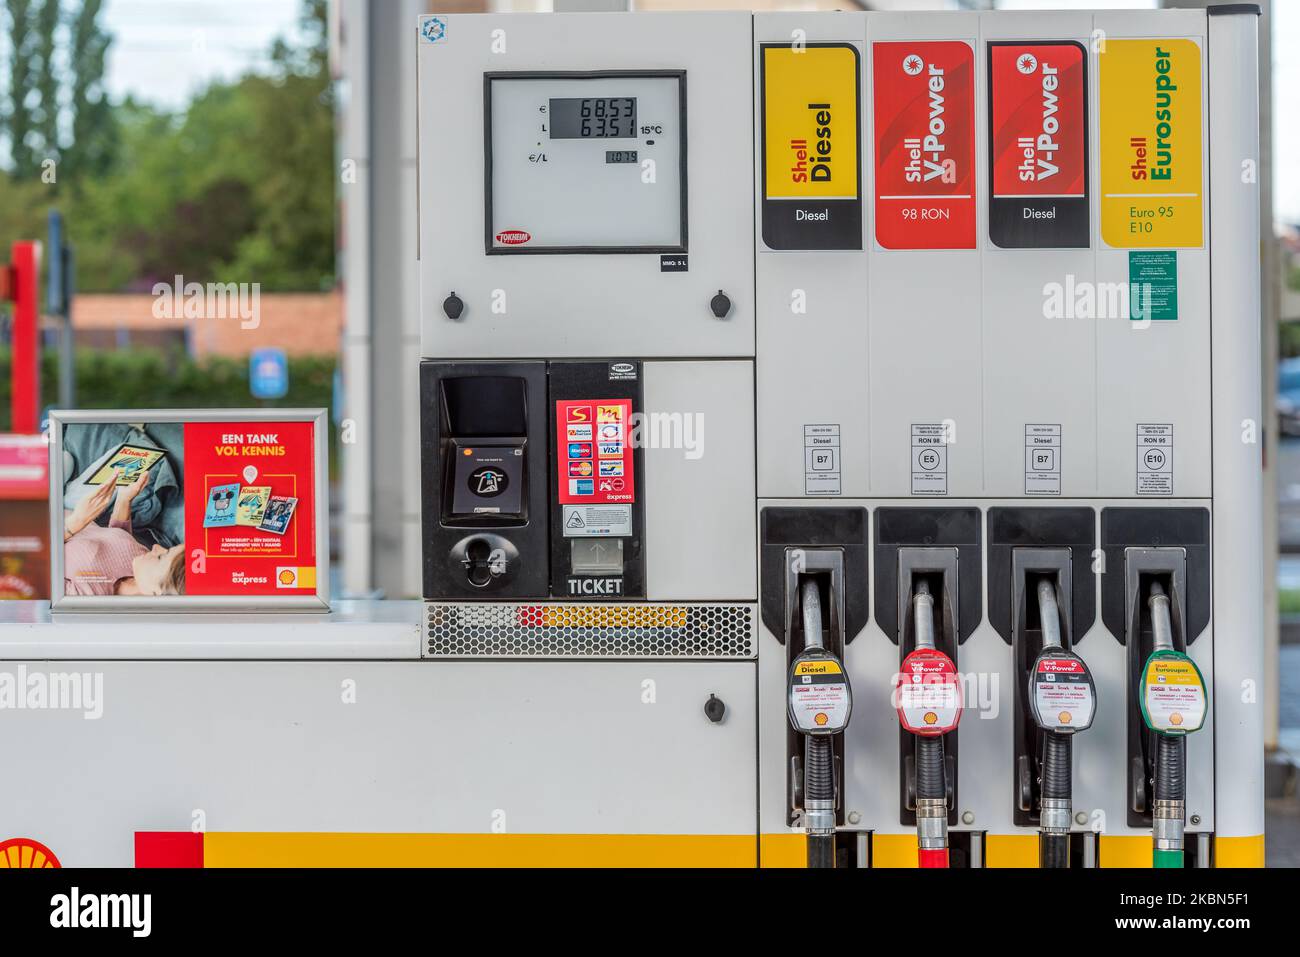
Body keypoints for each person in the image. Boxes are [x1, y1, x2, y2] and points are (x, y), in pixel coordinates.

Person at [63, 467, 185, 596]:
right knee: (139, 461)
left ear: (155, 593)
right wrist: (124, 499)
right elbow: (117, 541)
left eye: (161, 557)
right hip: (76, 510)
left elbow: (39, 562)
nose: (156, 546)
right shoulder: (141, 563)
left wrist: (75, 523)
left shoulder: (86, 595)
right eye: (168, 550)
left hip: (47, 518)